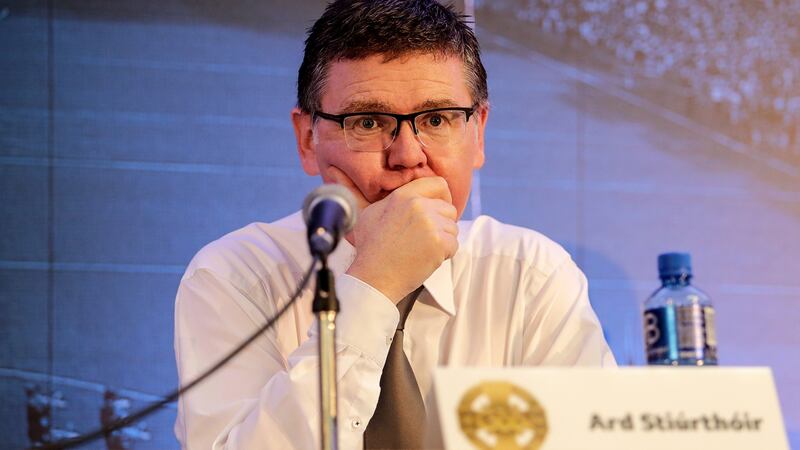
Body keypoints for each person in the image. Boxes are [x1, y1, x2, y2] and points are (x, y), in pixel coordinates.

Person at [173, 0, 615, 449]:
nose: (407, 155)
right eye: (367, 122)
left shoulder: (530, 275)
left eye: (437, 119)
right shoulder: (235, 277)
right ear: (308, 140)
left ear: (478, 133)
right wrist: (374, 284)